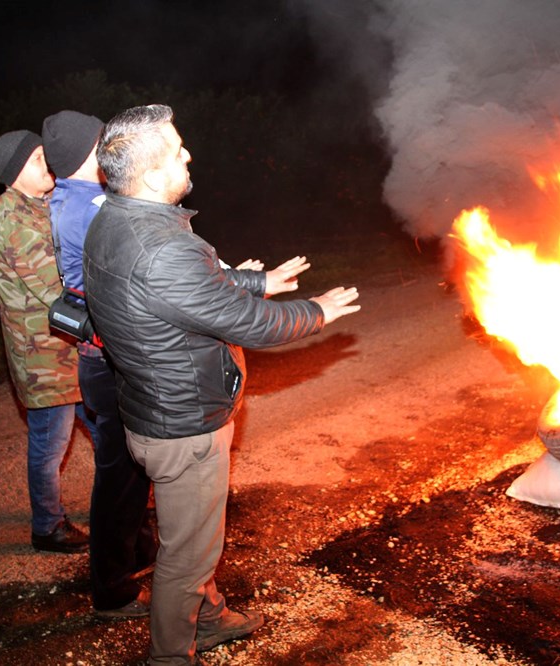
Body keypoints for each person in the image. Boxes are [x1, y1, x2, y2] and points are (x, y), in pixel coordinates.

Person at [82, 103, 361, 665]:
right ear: (155, 175)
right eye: (178, 149)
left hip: (154, 410)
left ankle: (208, 618)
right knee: (186, 553)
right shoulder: (163, 247)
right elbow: (247, 324)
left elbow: (184, 288)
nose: (188, 155)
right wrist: (318, 311)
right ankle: (171, 655)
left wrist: (260, 279)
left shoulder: (116, 219)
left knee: (197, 535)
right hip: (184, 426)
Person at [41, 110, 157, 618]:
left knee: (130, 467)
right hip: (108, 358)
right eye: (101, 141)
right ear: (90, 150)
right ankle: (112, 587)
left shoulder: (66, 197)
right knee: (119, 476)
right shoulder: (92, 207)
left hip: (99, 355)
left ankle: (134, 555)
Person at [0, 129, 97, 554]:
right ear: (14, 173)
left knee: (105, 430)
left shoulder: (38, 204)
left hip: (69, 348)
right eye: (36, 161)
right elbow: (55, 289)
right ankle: (47, 526)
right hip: (44, 357)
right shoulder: (11, 219)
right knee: (51, 445)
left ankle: (125, 502)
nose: (47, 165)